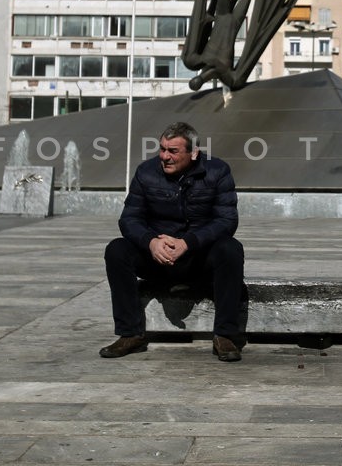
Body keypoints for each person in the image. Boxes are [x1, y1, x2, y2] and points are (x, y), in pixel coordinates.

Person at [101, 122, 246, 362]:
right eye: (162, 149)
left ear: (194, 153)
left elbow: (227, 221)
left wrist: (188, 242)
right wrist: (151, 242)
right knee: (117, 250)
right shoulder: (146, 172)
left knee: (231, 249)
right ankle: (130, 334)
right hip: (157, 257)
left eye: (173, 151)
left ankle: (225, 335)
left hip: (198, 257)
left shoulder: (218, 171)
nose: (165, 157)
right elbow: (130, 219)